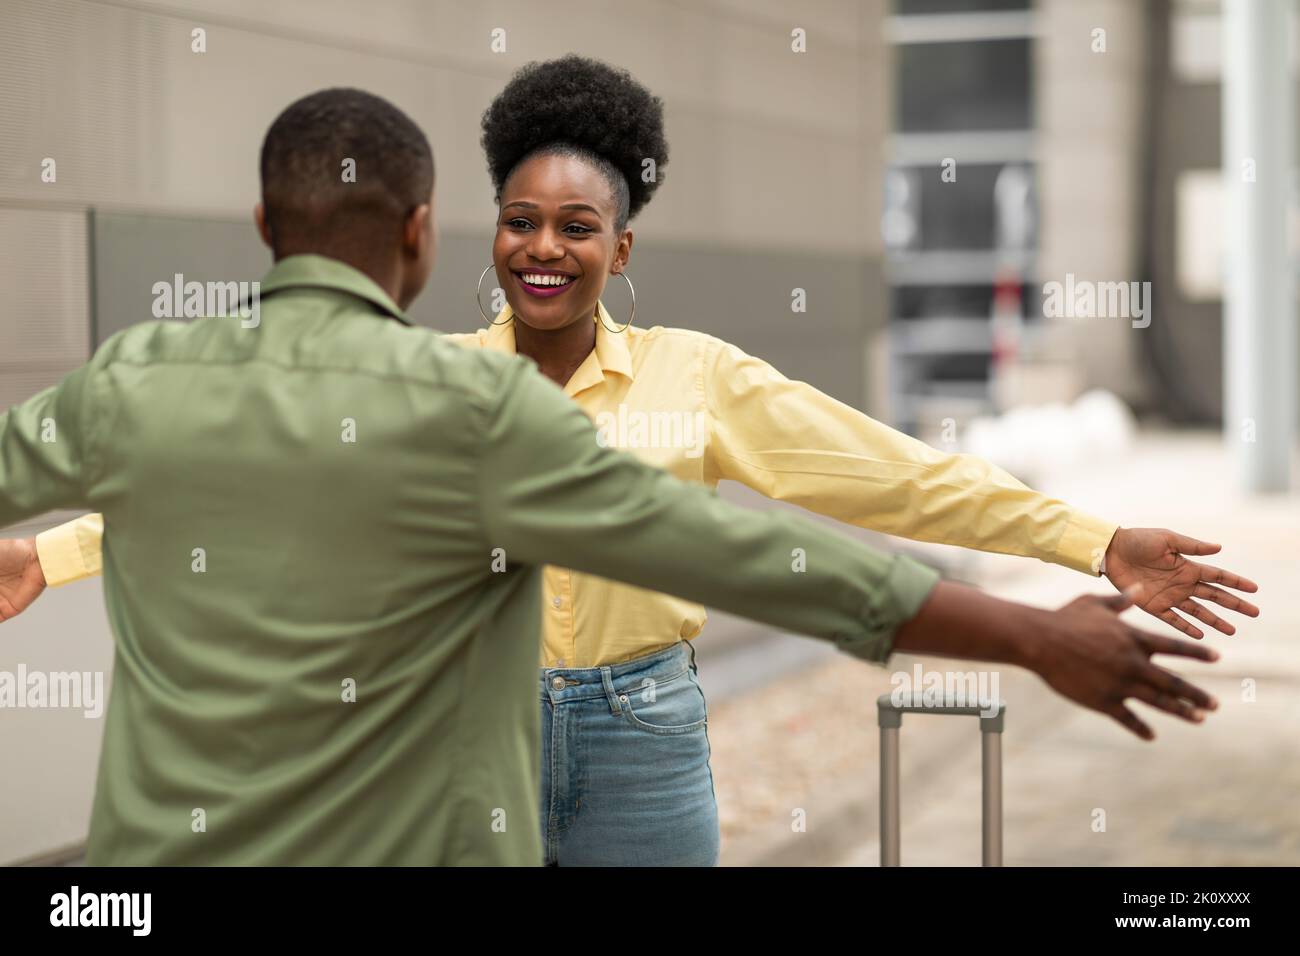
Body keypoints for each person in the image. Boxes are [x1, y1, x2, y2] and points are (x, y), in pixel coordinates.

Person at [0, 85, 1230, 867]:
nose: (544, 246)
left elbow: (892, 479)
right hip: (462, 736)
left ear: (619, 247)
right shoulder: (445, 388)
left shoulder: (696, 379)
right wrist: (52, 554)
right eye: (521, 220)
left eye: (576, 227)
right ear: (455, 233)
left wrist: (1086, 537)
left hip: (641, 733)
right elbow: (251, 485)